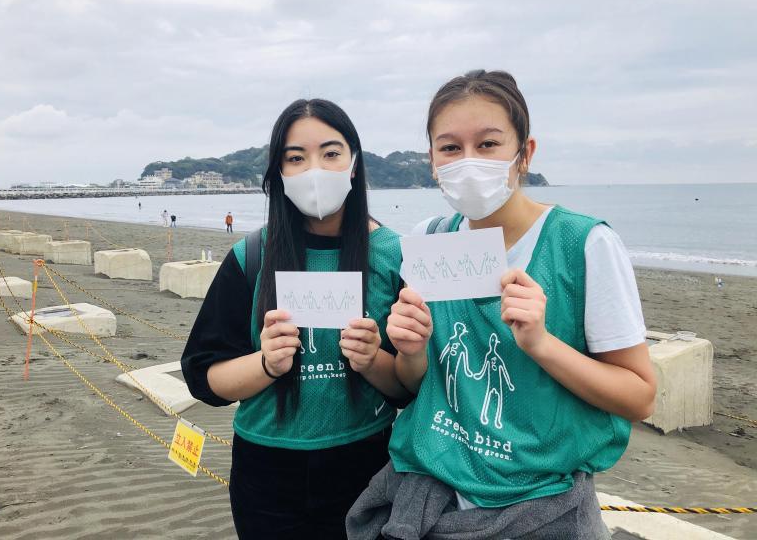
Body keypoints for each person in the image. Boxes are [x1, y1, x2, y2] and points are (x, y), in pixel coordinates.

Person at [347, 70, 656, 539]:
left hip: (540, 505)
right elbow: (418, 385)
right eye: (450, 148)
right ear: (431, 160)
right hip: (428, 490)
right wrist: (409, 350)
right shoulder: (430, 240)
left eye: (488, 144)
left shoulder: (584, 243)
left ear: (524, 153)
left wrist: (541, 343)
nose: (467, 162)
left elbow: (639, 396)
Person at [181, 98, 409, 540]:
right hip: (267, 472)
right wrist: (266, 364)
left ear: (354, 164)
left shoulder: (394, 255)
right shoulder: (251, 257)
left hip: (367, 463)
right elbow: (204, 378)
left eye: (330, 153)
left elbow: (411, 388)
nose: (315, 170)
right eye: (296, 158)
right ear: (278, 174)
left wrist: (373, 359)